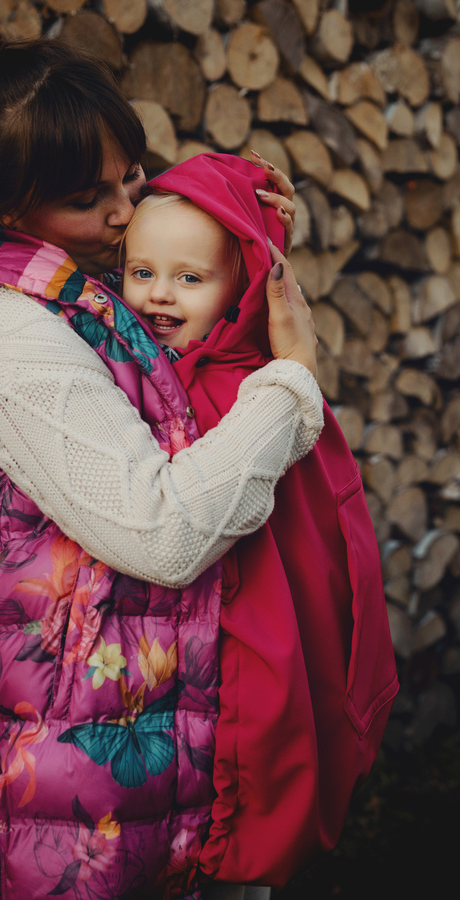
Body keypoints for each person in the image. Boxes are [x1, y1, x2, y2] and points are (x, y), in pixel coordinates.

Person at [0, 26, 323, 900]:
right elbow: (162, 533)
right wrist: (292, 387)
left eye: (131, 174)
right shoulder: (3, 333)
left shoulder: (72, 278)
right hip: (70, 769)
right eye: (94, 198)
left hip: (127, 734)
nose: (129, 211)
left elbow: (186, 252)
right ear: (8, 204)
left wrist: (255, 213)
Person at [119, 152, 398, 897]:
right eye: (140, 273)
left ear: (240, 287)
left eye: (190, 278)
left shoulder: (251, 389)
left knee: (238, 832)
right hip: (154, 666)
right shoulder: (135, 369)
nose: (158, 296)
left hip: (236, 646)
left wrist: (265, 234)